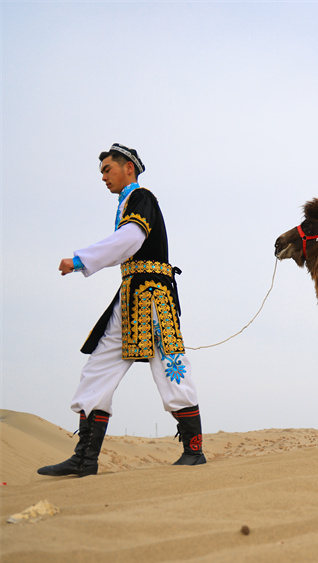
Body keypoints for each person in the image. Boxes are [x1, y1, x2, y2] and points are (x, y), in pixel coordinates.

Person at [38, 143, 205, 478]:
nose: (103, 177)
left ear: (128, 167)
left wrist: (81, 259)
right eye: (101, 172)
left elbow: (131, 237)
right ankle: (85, 458)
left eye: (107, 169)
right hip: (129, 297)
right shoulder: (127, 202)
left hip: (153, 298)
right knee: (97, 368)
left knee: (171, 367)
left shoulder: (142, 197)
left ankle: (194, 450)